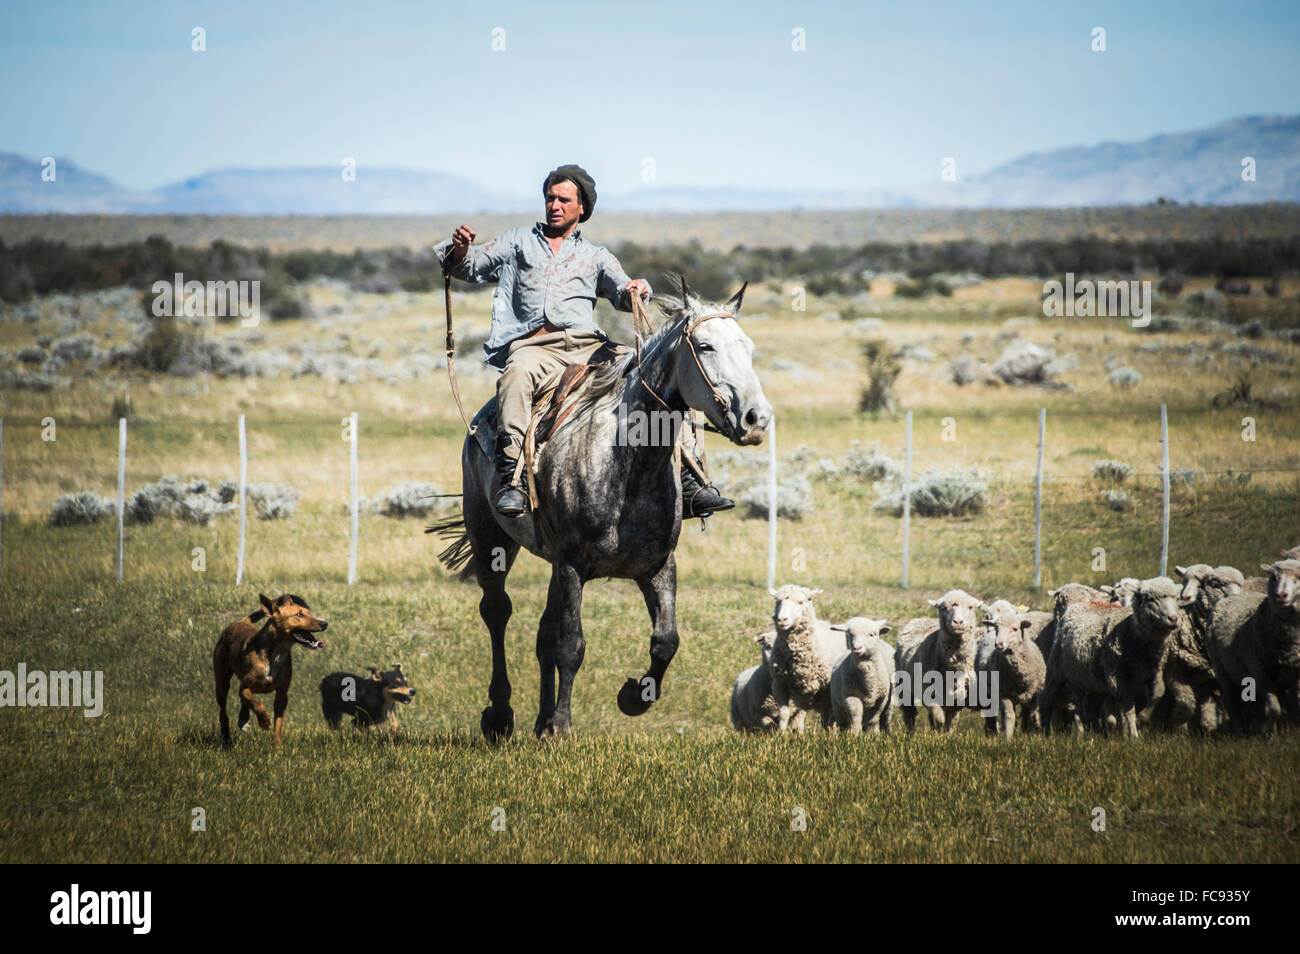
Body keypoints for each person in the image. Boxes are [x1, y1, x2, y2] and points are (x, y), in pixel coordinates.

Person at [433, 163, 732, 520]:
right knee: (515, 376)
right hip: (535, 349)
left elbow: (622, 292)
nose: (554, 205)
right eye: (550, 198)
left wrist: (636, 288)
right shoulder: (516, 242)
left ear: (582, 209)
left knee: (657, 374)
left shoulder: (596, 256)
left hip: (588, 348)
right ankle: (512, 478)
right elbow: (468, 266)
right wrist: (461, 250)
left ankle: (690, 476)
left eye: (563, 199)